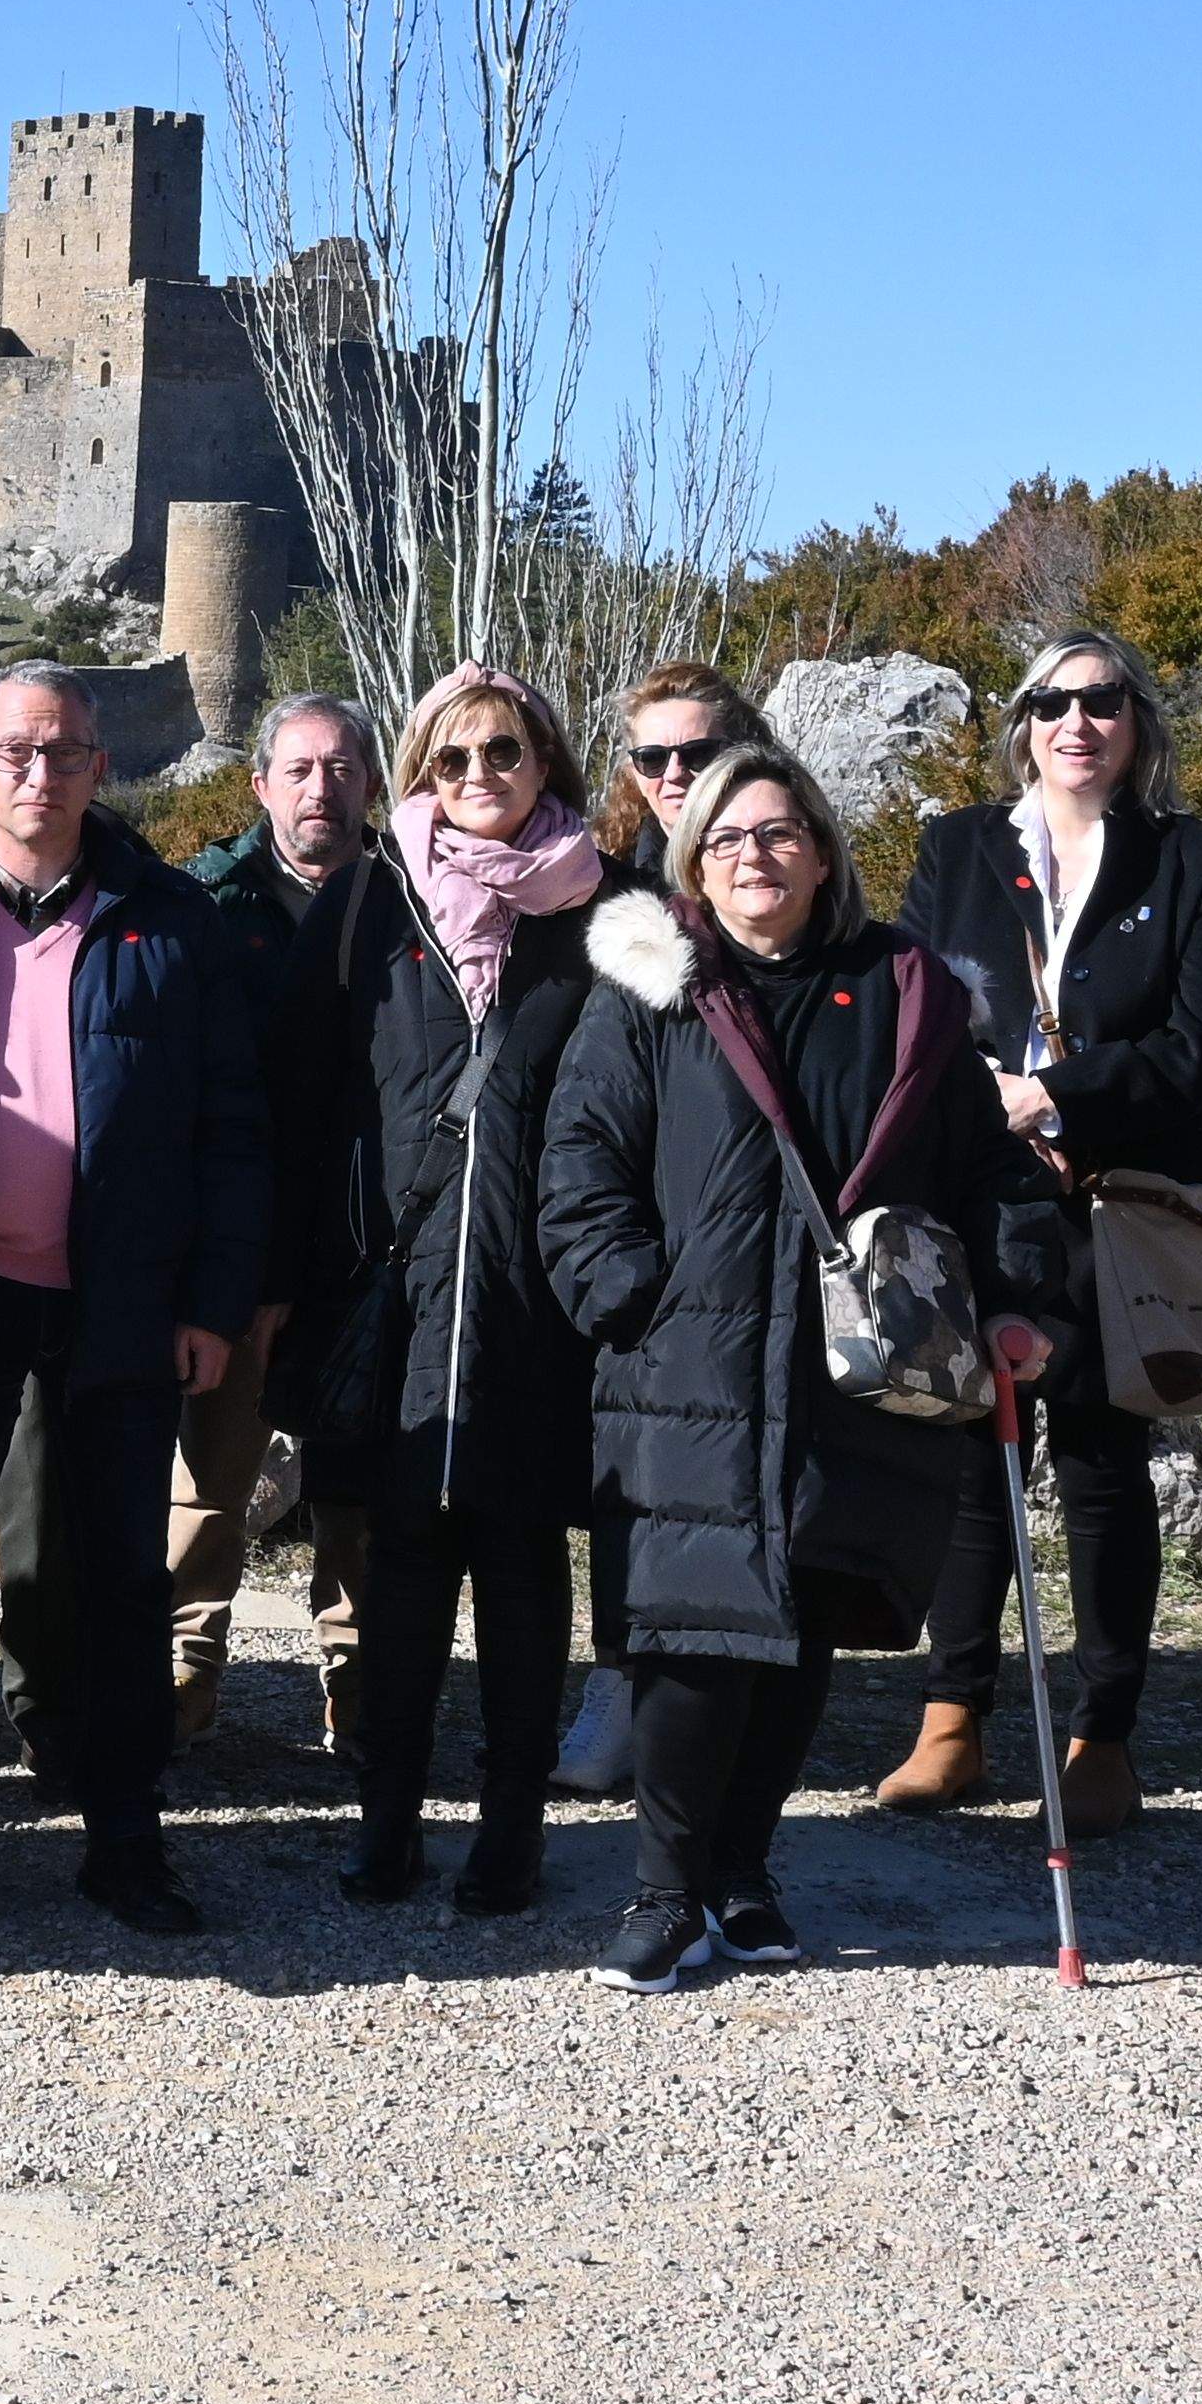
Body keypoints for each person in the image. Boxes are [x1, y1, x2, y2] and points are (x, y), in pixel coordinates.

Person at [537, 744, 1050, 1992]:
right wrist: (629, 1295)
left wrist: (1019, 1304)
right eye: (726, 839)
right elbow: (579, 1162)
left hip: (851, 1372)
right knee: (687, 1643)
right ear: (691, 865)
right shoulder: (651, 989)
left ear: (824, 850)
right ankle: (663, 1894)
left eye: (779, 833)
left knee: (798, 1631)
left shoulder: (903, 989)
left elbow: (987, 1172)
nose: (754, 856)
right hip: (691, 1369)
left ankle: (744, 1874)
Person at [0, 660, 270, 1936]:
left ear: (99, 767)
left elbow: (230, 1128)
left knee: (121, 1575)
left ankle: (124, 1837)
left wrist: (212, 1300)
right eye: (14, 749)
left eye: (64, 750)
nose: (38, 771)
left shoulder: (169, 919)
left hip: (117, 1298)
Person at [876, 629, 1202, 1840]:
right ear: (1022, 721)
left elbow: (1200, 1046)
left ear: (1138, 719)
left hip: (1121, 1198)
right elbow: (913, 1005)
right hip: (984, 1193)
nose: (1075, 723)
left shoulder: (1199, 862)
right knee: (976, 1451)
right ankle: (952, 1718)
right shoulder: (958, 848)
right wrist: (989, 1102)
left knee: (1099, 1466)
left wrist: (1056, 1094)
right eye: (1050, 702)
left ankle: (1102, 1733)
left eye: (1100, 701)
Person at [287, 663, 607, 1918]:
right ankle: (389, 1821)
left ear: (546, 764)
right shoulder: (368, 904)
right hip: (404, 1295)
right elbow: (301, 1101)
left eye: (508, 753)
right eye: (454, 757)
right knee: (402, 1574)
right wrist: (303, 1277)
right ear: (419, 770)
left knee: (526, 1585)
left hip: (545, 1307)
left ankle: (511, 1831)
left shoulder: (606, 913)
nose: (482, 778)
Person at [546, 659, 774, 1802]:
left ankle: (744, 1710)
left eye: (699, 750)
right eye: (653, 757)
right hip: (650, 1255)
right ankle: (619, 1679)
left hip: (765, 1254)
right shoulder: (613, 894)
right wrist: (615, 1269)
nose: (676, 774)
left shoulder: (786, 864)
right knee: (632, 1482)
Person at [167, 688, 387, 1756]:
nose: (321, 789)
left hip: (368, 1240)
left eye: (342, 767)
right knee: (211, 1475)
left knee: (355, 1479)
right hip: (241, 1237)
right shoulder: (205, 903)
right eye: (298, 769)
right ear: (259, 785)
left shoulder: (414, 903)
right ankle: (184, 1673)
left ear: (373, 783)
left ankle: (358, 1683)